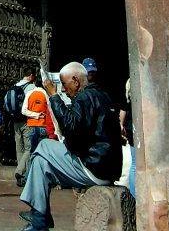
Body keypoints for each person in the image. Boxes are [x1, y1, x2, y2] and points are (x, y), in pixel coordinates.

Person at [19, 61, 122, 230]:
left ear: (76, 80)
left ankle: (40, 219)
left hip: (93, 167)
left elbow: (71, 129)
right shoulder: (103, 96)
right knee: (41, 163)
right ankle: (38, 218)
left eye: (65, 85)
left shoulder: (84, 97)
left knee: (44, 145)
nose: (65, 90)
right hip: (106, 169)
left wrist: (53, 96)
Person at [7, 64, 38, 187]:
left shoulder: (15, 85)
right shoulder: (31, 87)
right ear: (31, 76)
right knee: (28, 148)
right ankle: (19, 172)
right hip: (27, 120)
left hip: (15, 121)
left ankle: (20, 176)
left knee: (19, 148)